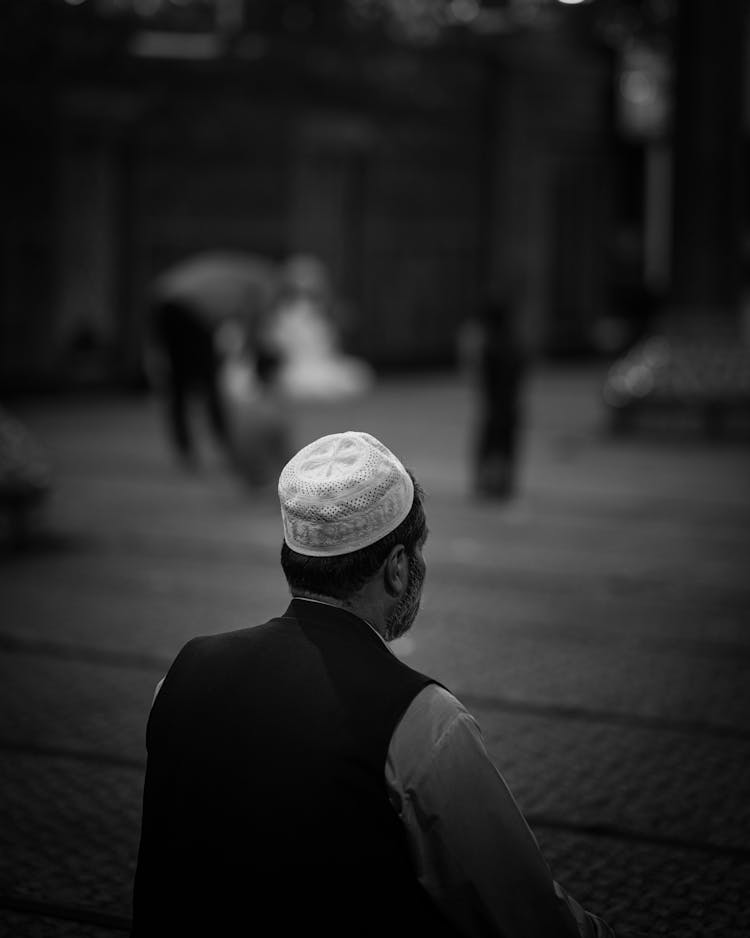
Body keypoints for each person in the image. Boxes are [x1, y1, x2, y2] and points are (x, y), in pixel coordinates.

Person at [131, 431, 615, 938]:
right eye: (418, 553)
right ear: (399, 569)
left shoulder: (182, 675)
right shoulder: (421, 720)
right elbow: (529, 917)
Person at [147, 251, 279, 466]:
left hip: (164, 304)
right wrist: (257, 365)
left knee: (180, 385)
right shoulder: (263, 281)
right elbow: (254, 326)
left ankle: (187, 450)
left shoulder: (236, 270)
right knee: (208, 384)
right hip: (188, 311)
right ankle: (225, 443)